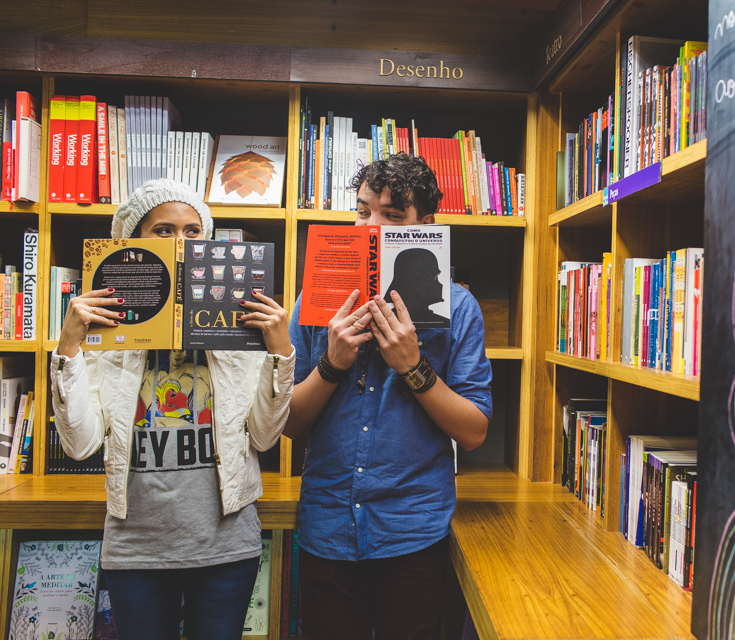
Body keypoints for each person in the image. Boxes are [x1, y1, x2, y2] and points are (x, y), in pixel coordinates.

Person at [50, 179, 295, 640]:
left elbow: (264, 438)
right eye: (163, 231)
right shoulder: (108, 337)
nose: (181, 243)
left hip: (226, 544)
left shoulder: (237, 325)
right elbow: (80, 444)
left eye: (192, 231)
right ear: (132, 241)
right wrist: (70, 347)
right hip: (135, 547)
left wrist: (279, 352)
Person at [285, 153, 492, 639]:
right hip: (328, 526)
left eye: (393, 216)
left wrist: (413, 367)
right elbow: (289, 425)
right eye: (363, 211)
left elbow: (475, 431)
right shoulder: (315, 300)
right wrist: (332, 363)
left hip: (412, 531)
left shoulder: (459, 308)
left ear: (427, 225)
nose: (371, 227)